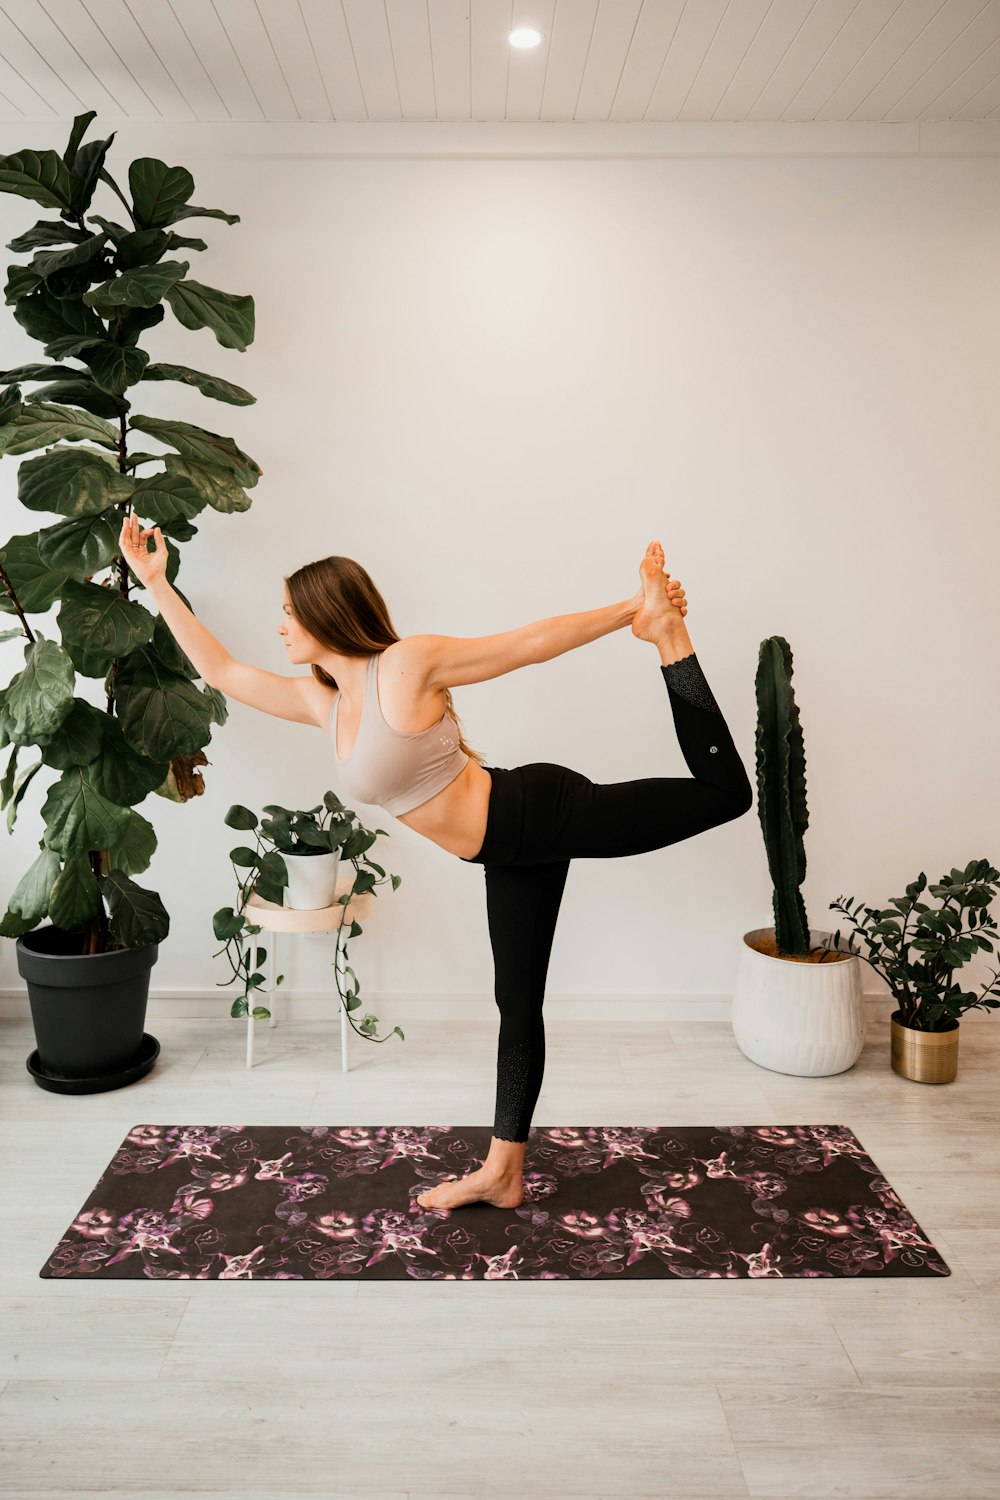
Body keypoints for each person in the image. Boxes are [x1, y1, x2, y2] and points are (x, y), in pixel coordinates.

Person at [119, 515, 753, 1213]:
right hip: (507, 853)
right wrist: (156, 580)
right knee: (517, 1004)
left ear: (330, 615)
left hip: (540, 810)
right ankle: (503, 1173)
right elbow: (222, 670)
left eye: (290, 614)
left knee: (726, 795)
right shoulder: (320, 703)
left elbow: (528, 645)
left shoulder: (406, 665)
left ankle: (669, 637)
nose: (281, 628)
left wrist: (635, 610)